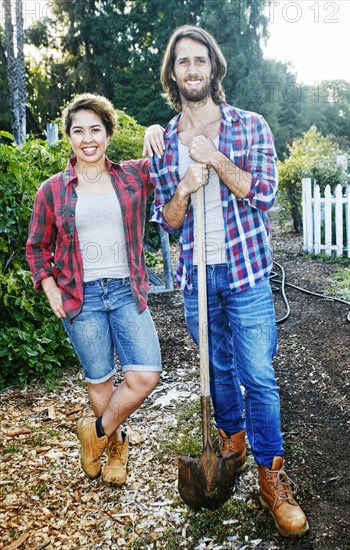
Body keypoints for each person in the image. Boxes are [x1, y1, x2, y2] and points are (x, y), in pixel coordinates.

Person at [146, 25, 309, 537]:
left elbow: (263, 195)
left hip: (246, 272)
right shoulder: (163, 140)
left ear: (214, 68)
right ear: (173, 74)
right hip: (197, 275)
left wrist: (213, 159)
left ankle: (271, 476)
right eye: (182, 62)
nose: (192, 69)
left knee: (258, 374)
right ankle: (233, 437)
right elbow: (166, 220)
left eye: (200, 60)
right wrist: (185, 184)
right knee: (217, 372)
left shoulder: (250, 126)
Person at [26, 93, 162, 487]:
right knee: (100, 378)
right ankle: (116, 448)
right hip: (78, 297)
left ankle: (96, 433)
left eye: (96, 130)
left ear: (108, 134)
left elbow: (170, 160)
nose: (88, 139)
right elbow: (36, 247)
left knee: (147, 372)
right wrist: (48, 286)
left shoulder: (134, 176)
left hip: (125, 289)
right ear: (69, 137)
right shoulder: (52, 190)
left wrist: (156, 130)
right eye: (79, 130)